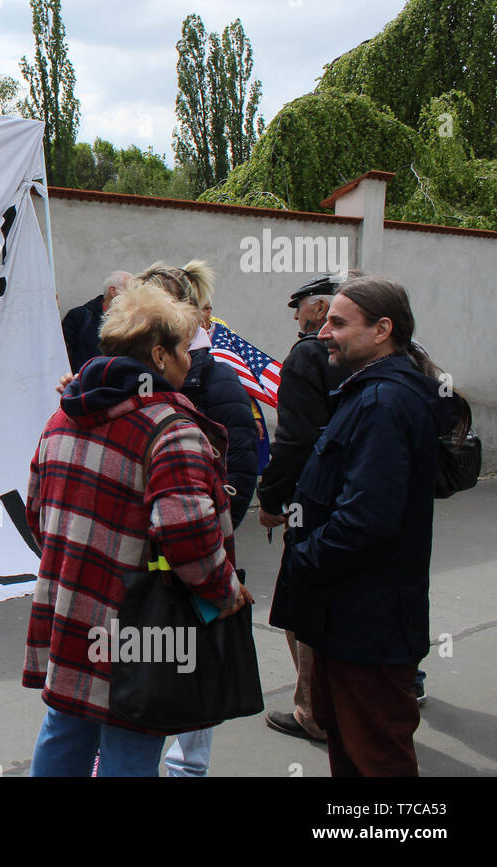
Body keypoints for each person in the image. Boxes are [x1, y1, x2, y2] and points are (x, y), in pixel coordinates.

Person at [25, 280, 252, 777]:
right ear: (158, 355)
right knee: (131, 740)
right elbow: (188, 537)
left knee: (66, 726)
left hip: (72, 605)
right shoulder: (169, 429)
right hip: (138, 626)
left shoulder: (62, 418)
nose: (191, 360)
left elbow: (37, 515)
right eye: (183, 349)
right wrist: (223, 588)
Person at [268, 276, 461, 776]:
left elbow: (366, 520)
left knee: (377, 757)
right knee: (350, 749)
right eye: (326, 319)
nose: (324, 332)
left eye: (338, 322)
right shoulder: (367, 393)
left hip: (367, 625)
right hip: (347, 620)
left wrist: (303, 559)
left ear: (382, 330)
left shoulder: (383, 403)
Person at [138, 261, 258, 777]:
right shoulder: (130, 375)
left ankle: (187, 768)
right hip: (142, 551)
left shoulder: (212, 376)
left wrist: (211, 515)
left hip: (192, 547)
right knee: (142, 660)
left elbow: (244, 458)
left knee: (192, 652)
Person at [257, 274, 350, 742]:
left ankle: (312, 710)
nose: (297, 317)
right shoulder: (397, 356)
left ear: (320, 309)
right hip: (364, 502)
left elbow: (294, 440)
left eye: (302, 309)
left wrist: (271, 500)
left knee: (301, 606)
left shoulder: (309, 355)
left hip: (315, 502)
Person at [61, 271, 131, 372]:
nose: (135, 296)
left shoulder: (132, 323)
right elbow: (58, 351)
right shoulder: (80, 316)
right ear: (113, 291)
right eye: (131, 290)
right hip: (85, 384)